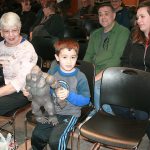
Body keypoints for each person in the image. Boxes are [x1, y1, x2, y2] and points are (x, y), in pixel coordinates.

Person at [27, 38, 90, 150]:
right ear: (57, 57)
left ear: (77, 58)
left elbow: (86, 100)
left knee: (56, 141)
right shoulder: (53, 72)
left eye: (73, 57)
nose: (69, 61)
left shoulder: (80, 77)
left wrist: (69, 95)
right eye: (64, 57)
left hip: (70, 114)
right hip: (52, 111)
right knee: (37, 135)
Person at [112, 0, 150, 139]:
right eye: (137, 17)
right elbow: (125, 60)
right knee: (115, 102)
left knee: (142, 113)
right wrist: (126, 79)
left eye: (142, 16)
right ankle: (131, 130)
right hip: (133, 82)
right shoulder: (134, 35)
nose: (138, 20)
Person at [83, 2, 130, 113]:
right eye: (100, 14)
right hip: (94, 71)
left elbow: (116, 59)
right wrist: (86, 73)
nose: (103, 17)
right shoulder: (95, 34)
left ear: (113, 15)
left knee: (97, 88)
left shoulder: (123, 32)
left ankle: (106, 116)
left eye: (106, 14)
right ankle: (90, 111)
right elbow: (88, 56)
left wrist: (97, 76)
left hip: (111, 72)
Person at [0, 12, 37, 115]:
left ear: (19, 30)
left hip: (21, 91)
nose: (11, 35)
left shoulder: (27, 50)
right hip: (3, 85)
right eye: (6, 31)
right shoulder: (0, 46)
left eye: (14, 30)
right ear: (1, 32)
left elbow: (19, 82)